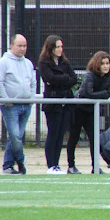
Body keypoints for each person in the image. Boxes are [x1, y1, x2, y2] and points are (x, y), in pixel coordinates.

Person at [0, 34, 36, 175]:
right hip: (11, 106)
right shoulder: (3, 63)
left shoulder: (28, 63)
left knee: (16, 136)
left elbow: (33, 83)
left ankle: (8, 166)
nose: (23, 49)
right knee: (16, 136)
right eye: (19, 46)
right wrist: (6, 100)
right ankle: (20, 161)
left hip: (26, 105)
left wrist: (31, 99)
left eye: (24, 46)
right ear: (11, 46)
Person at [66, 51, 110, 174]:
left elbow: (108, 94)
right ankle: (71, 166)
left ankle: (95, 167)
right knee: (74, 138)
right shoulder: (90, 75)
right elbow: (88, 93)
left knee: (94, 139)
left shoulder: (109, 76)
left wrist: (100, 94)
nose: (105, 66)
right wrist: (102, 94)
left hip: (91, 110)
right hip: (78, 109)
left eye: (107, 63)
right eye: (102, 63)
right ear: (97, 64)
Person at [38, 35, 77, 174]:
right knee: (53, 134)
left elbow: (73, 78)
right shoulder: (44, 63)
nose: (60, 49)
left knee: (61, 135)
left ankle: (57, 164)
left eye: (61, 46)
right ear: (51, 48)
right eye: (57, 47)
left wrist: (61, 80)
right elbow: (49, 78)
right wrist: (64, 79)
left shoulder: (64, 62)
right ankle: (51, 165)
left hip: (66, 103)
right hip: (53, 103)